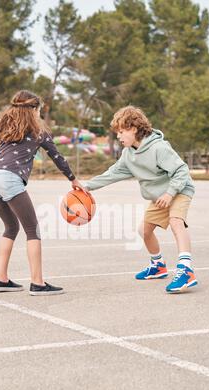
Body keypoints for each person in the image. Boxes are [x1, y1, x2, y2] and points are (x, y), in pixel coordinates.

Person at [0, 89, 86, 296]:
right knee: (32, 230)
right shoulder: (38, 131)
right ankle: (37, 283)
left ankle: (0, 278)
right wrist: (73, 180)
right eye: (39, 110)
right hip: (8, 178)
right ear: (34, 109)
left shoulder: (2, 126)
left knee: (10, 227)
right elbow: (57, 157)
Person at [84, 106, 198, 293]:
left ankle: (186, 270)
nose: (119, 136)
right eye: (117, 133)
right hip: (159, 196)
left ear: (134, 128)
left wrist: (170, 193)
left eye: (121, 131)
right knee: (144, 231)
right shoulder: (128, 155)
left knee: (176, 222)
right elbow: (113, 173)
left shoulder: (158, 148)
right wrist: (87, 186)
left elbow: (182, 170)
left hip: (179, 189)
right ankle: (158, 265)